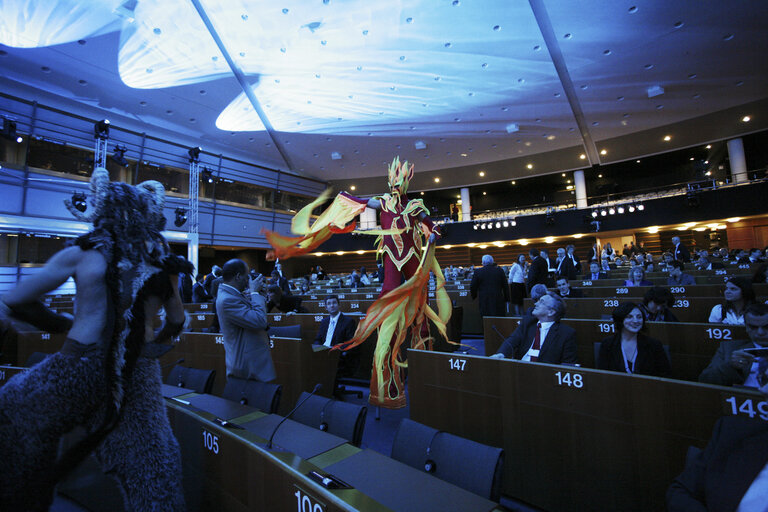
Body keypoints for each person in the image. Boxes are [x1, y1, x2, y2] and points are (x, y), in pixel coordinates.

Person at [0, 168, 186, 511]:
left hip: (79, 366)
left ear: (102, 211)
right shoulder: (162, 262)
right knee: (154, 465)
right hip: (136, 375)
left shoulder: (84, 252)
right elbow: (176, 320)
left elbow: (16, 301)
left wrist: (63, 323)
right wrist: (152, 347)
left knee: (12, 411)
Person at [264, 156, 449, 408]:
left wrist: (434, 233)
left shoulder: (415, 206)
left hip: (414, 259)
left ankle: (426, 367)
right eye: (394, 179)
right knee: (387, 311)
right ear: (389, 179)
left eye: (401, 180)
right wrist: (344, 201)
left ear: (407, 180)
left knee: (421, 310)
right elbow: (359, 203)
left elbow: (431, 225)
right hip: (393, 260)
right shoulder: (380, 202)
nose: (397, 184)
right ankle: (387, 378)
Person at [216, 260, 276, 382]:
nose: (248, 280)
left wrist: (260, 296)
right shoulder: (228, 300)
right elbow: (259, 321)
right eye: (246, 276)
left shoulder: (232, 295)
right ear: (238, 276)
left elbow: (253, 314)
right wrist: (254, 292)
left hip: (252, 365)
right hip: (248, 368)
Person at [490, 292, 577, 364]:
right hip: (520, 371)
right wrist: (500, 354)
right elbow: (512, 340)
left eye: (541, 302)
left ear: (551, 312)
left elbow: (568, 364)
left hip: (544, 376)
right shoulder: (528, 323)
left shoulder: (566, 334)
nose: (535, 303)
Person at [699, 303, 768, 386]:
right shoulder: (729, 348)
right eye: (753, 327)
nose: (760, 333)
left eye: (766, 327)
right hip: (741, 397)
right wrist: (731, 366)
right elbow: (705, 380)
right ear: (746, 327)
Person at [597, 302, 671, 377]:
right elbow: (602, 376)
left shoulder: (654, 345)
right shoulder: (607, 344)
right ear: (620, 320)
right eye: (629, 317)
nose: (636, 321)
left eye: (639, 317)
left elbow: (665, 375)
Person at [313, 295, 359, 377]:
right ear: (326, 307)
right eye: (329, 304)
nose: (332, 305)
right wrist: (318, 349)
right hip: (323, 352)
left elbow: (351, 342)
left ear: (339, 305)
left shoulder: (348, 321)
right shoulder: (324, 321)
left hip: (337, 355)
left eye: (334, 303)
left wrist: (335, 350)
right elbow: (318, 339)